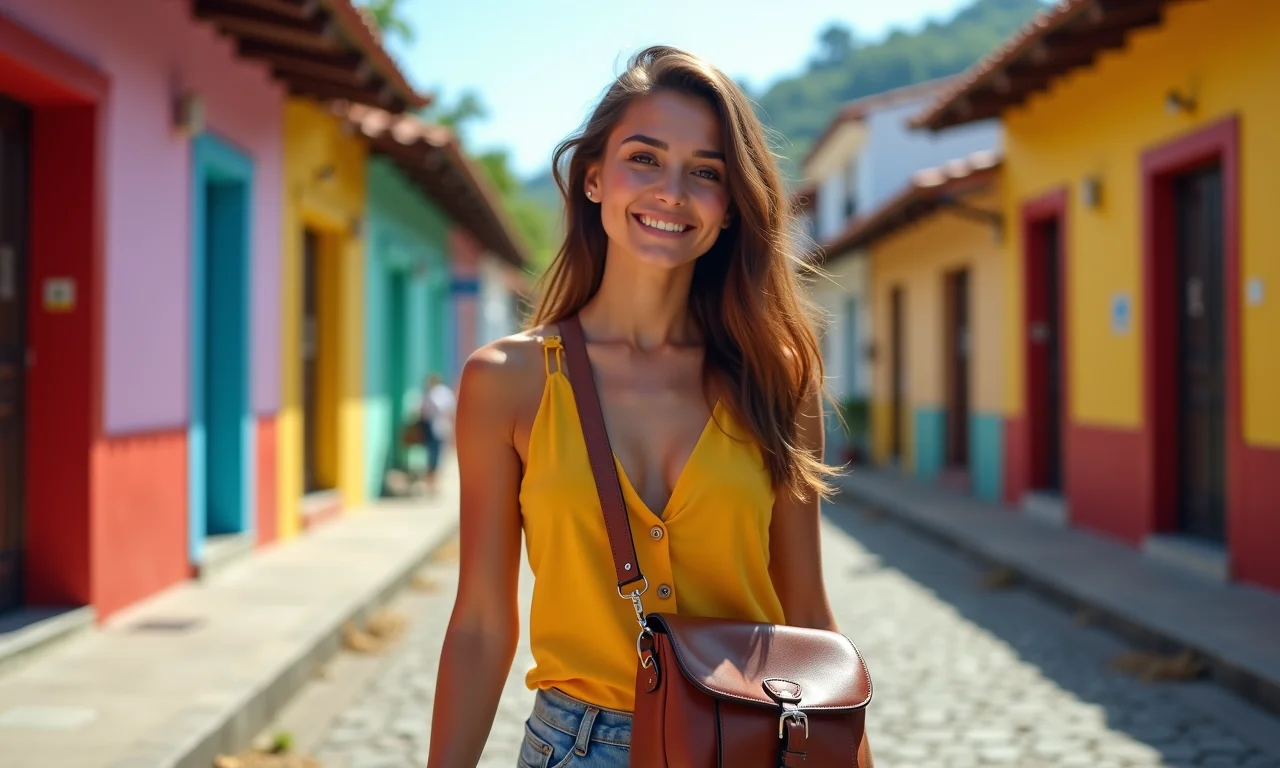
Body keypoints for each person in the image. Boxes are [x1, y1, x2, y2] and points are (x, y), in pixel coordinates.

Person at [427, 46, 856, 767]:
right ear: (594, 178)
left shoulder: (776, 382)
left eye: (706, 172)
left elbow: (808, 615)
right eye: (644, 159)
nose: (672, 192)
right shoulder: (508, 380)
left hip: (745, 741)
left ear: (730, 208)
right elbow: (479, 621)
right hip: (575, 748)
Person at [418, 373, 455, 494]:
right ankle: (431, 483)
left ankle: (435, 482)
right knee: (431, 455)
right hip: (429, 427)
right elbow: (422, 410)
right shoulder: (427, 393)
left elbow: (449, 409)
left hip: (440, 427)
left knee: (438, 455)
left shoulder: (442, 393)